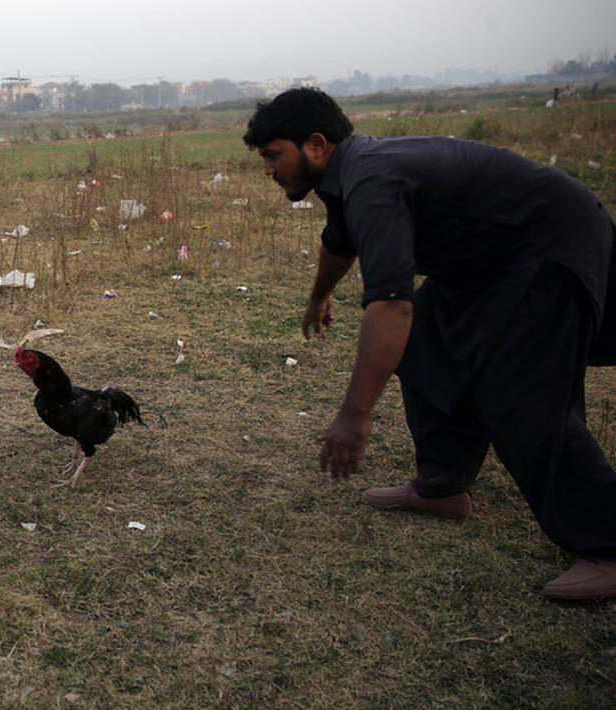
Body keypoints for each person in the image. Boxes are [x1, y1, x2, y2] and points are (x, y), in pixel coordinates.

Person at [244, 88, 616, 601]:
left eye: (271, 155)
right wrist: (319, 296)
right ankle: (442, 485)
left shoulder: (372, 179)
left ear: (315, 145)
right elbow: (339, 240)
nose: (267, 170)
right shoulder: (345, 175)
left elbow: (392, 306)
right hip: (487, 262)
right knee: (424, 347)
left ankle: (608, 543)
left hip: (547, 246)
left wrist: (356, 413)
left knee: (518, 390)